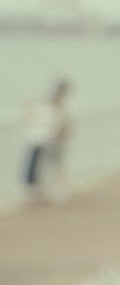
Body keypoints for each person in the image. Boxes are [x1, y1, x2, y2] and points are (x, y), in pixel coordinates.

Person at [21, 77, 72, 205]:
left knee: (46, 166)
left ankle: (48, 191)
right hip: (44, 141)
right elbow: (63, 126)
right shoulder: (54, 108)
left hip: (45, 141)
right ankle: (49, 191)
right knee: (47, 166)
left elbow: (63, 126)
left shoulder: (51, 107)